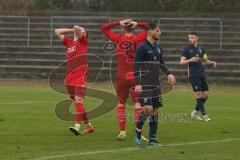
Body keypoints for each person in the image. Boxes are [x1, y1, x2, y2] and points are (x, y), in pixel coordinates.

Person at [101, 19, 148, 140]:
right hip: (135, 76)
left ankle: (122, 132)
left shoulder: (119, 39)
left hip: (122, 76)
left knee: (121, 103)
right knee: (138, 104)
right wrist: (138, 23)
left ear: (123, 28)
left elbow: (104, 28)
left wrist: (118, 22)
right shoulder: (138, 39)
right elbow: (151, 27)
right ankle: (138, 132)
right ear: (133, 28)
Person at [134, 21, 176, 147]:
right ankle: (138, 130)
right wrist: (138, 82)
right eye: (157, 30)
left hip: (156, 83)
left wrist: (169, 73)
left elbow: (161, 62)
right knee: (147, 109)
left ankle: (152, 139)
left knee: (155, 111)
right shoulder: (142, 47)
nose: (160, 33)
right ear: (150, 31)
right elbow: (136, 65)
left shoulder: (158, 47)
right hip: (145, 83)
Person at [55, 25, 94, 135]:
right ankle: (89, 125)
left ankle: (77, 126)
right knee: (78, 102)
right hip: (70, 77)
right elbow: (57, 31)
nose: (80, 31)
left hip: (81, 75)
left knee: (78, 100)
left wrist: (77, 29)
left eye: (83, 31)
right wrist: (72, 30)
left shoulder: (83, 41)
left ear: (84, 34)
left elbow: (77, 29)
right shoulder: (69, 43)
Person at [180, 32, 217, 122]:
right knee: (199, 94)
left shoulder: (201, 49)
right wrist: (190, 60)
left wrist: (212, 62)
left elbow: (206, 60)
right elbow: (181, 62)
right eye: (189, 38)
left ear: (197, 38)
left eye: (192, 37)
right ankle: (205, 115)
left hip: (201, 74)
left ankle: (195, 112)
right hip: (193, 75)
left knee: (206, 95)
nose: (190, 39)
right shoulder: (186, 49)